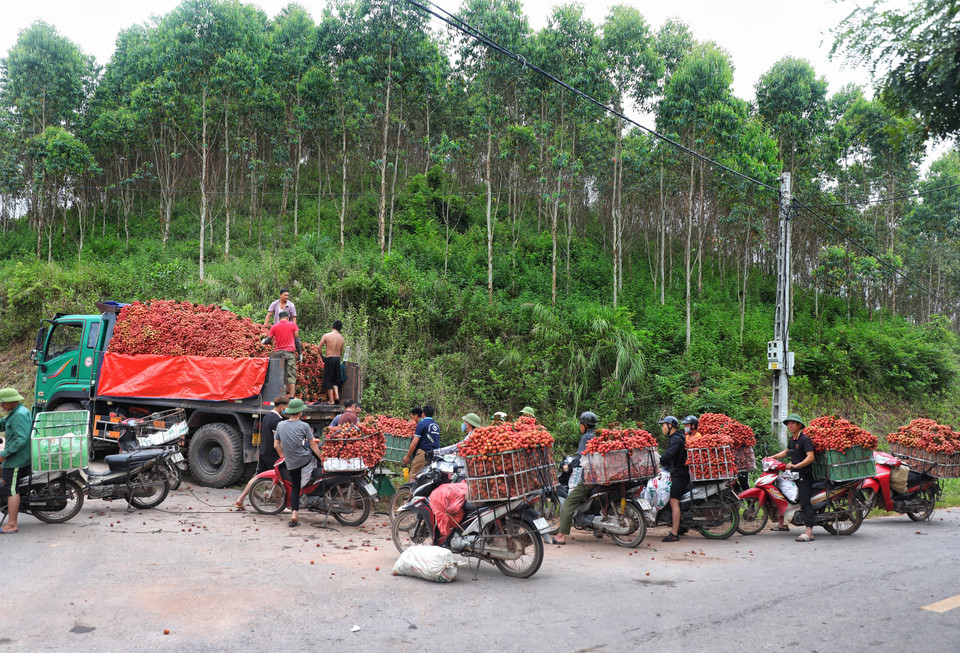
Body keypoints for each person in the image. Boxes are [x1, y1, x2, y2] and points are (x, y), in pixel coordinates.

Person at [273, 398, 322, 527]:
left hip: (291, 462)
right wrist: (323, 458)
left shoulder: (280, 425)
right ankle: (319, 474)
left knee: (295, 487)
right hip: (304, 460)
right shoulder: (304, 426)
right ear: (300, 412)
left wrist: (284, 457)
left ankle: (294, 514)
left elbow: (276, 444)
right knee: (311, 448)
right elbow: (313, 445)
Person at [234, 395, 289, 510]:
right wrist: (282, 455)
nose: (287, 410)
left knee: (257, 477)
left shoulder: (267, 416)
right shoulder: (277, 421)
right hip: (272, 454)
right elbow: (277, 441)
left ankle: (240, 499)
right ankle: (279, 505)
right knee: (278, 479)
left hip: (263, 452)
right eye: (286, 407)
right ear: (282, 407)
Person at [553, 411, 599, 545]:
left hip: (590, 478)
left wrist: (569, 466)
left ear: (585, 425)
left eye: (580, 424)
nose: (580, 426)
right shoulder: (597, 435)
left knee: (569, 503)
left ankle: (561, 535)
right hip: (600, 476)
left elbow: (580, 457)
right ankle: (599, 530)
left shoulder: (585, 437)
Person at [772, 414, 816, 542]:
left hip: (804, 476)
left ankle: (809, 531)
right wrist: (772, 457)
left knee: (804, 500)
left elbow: (810, 457)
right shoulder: (793, 439)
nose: (790, 425)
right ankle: (783, 523)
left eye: (793, 423)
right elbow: (786, 452)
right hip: (795, 474)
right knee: (781, 490)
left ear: (799, 425)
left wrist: (796, 465)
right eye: (788, 423)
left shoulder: (804, 439)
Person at [0, 387, 31, 534]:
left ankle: (12, 524)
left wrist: (4, 454)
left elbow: (21, 439)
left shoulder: (19, 415)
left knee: (11, 490)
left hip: (16, 460)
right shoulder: (15, 412)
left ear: (12, 401)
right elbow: (4, 424)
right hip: (16, 457)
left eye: (3, 403)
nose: (2, 406)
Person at [659, 415, 690, 542]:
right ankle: (681, 526)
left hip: (679, 474)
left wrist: (659, 459)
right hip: (678, 471)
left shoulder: (676, 439)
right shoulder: (677, 437)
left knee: (673, 501)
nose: (662, 428)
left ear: (670, 426)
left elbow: (669, 455)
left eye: (663, 425)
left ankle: (674, 534)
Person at [263, 311, 299, 398]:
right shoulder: (293, 325)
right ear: (287, 317)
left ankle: (278, 396)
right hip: (289, 353)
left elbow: (268, 340)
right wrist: (300, 353)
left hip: (278, 354)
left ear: (279, 319)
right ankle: (291, 396)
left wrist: (263, 341)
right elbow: (297, 340)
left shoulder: (274, 327)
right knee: (291, 375)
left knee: (278, 374)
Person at [403, 403, 440, 477]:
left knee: (413, 475)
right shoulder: (436, 425)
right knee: (427, 475)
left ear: (423, 414)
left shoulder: (422, 424)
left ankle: (412, 489)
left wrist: (408, 456)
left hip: (424, 452)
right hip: (435, 454)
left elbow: (414, 442)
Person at [319, 320, 345, 405]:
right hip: (337, 359)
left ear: (332, 326)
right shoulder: (342, 339)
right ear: (340, 329)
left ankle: (331, 400)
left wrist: (323, 357)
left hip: (329, 358)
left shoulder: (327, 336)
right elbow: (341, 352)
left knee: (328, 379)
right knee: (335, 379)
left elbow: (319, 347)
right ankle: (336, 396)